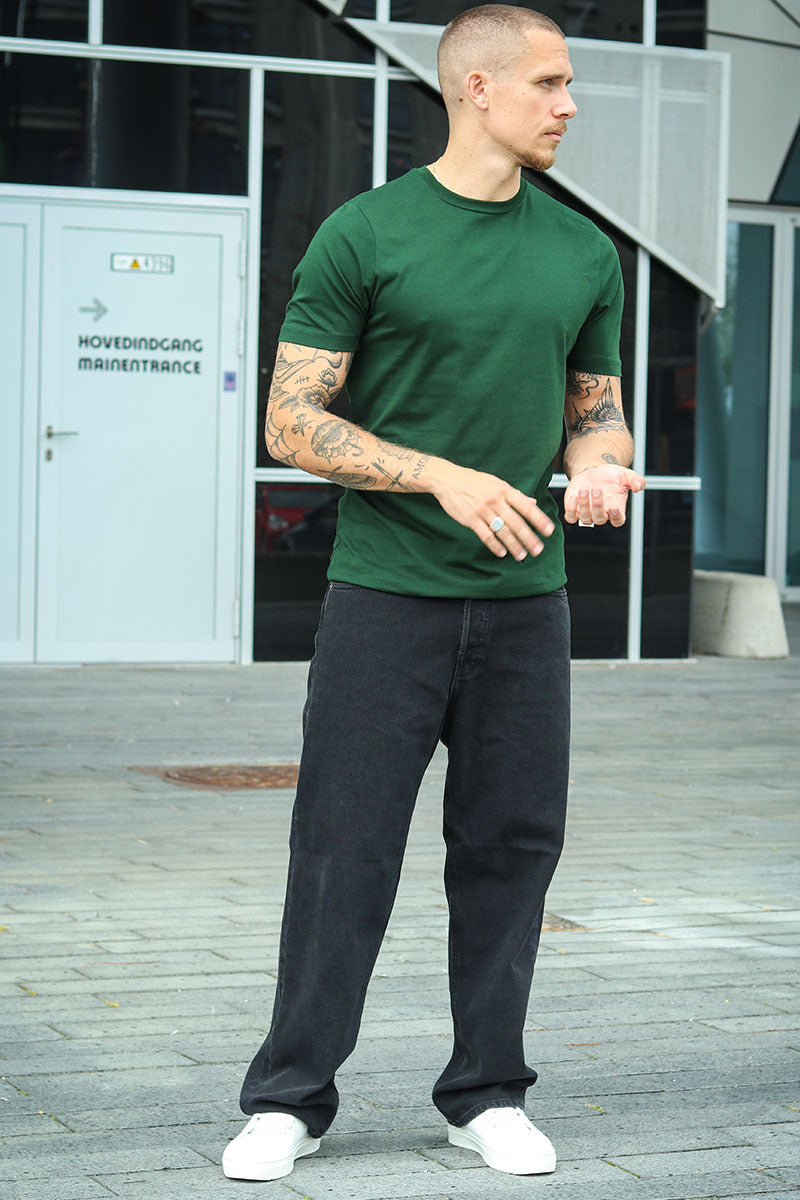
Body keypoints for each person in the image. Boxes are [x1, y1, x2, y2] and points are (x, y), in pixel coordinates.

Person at [222, 3, 644, 1183]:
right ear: (476, 87)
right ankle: (290, 1099)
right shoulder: (366, 233)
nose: (567, 105)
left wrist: (600, 466)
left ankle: (484, 1092)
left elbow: (595, 410)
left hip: (527, 603)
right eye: (548, 83)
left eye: (568, 84)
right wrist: (441, 477)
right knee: (342, 849)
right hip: (384, 595)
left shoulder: (582, 251)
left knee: (510, 848)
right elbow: (290, 420)